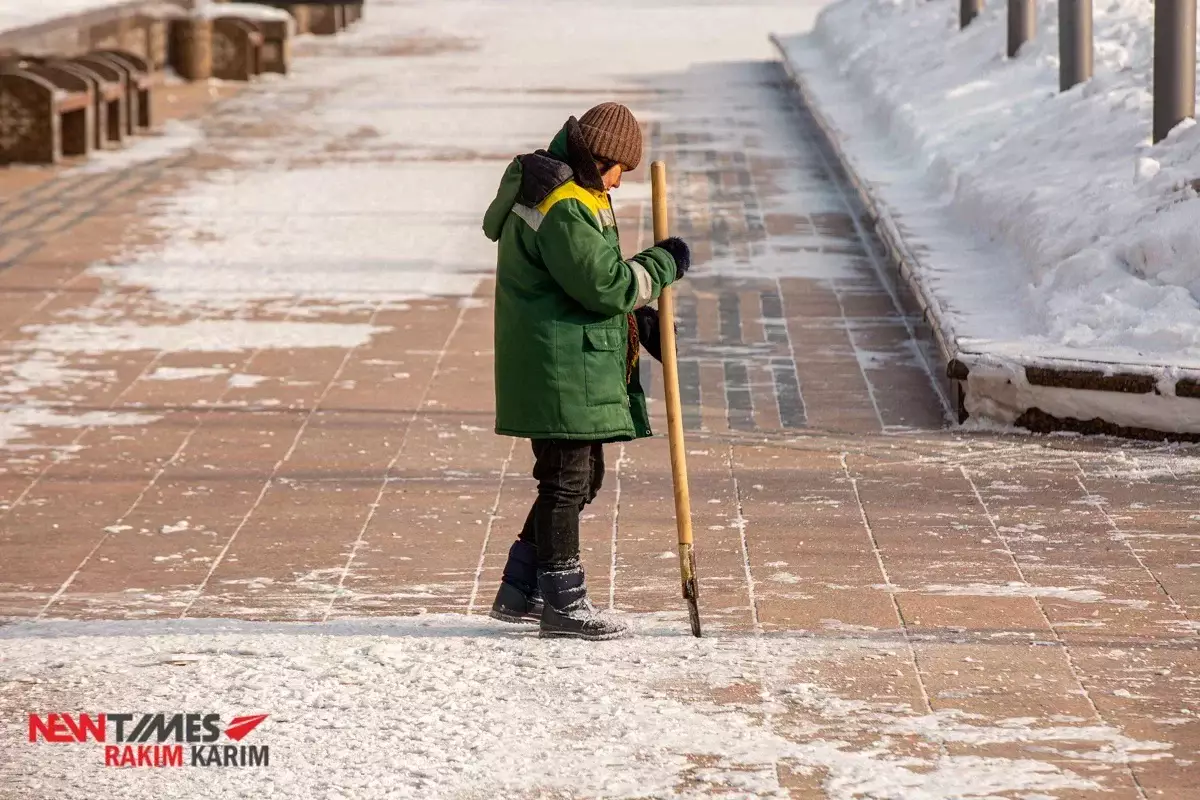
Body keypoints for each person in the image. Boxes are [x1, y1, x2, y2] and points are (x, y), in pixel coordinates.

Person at [481, 103, 691, 641]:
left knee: (577, 479)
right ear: (601, 158)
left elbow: (582, 283)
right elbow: (603, 285)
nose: (621, 184)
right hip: (559, 366)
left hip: (565, 358)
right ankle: (563, 603)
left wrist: (633, 321)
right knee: (566, 482)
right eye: (621, 170)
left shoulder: (576, 191)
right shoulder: (563, 202)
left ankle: (520, 590)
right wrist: (661, 265)